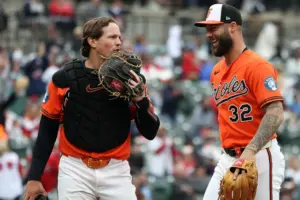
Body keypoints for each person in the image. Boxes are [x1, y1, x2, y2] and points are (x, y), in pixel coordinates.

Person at [24, 17, 160, 200]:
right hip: (75, 169)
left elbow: (150, 132)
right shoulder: (65, 79)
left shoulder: (131, 79)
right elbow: (47, 130)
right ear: (92, 41)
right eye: (112, 37)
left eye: (119, 37)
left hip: (116, 169)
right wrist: (34, 177)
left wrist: (141, 101)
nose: (118, 42)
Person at [194, 3, 285, 200]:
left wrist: (250, 152)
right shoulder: (216, 72)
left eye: (213, 28)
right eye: (207, 29)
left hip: (260, 156)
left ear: (232, 27)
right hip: (228, 157)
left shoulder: (257, 65)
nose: (208, 34)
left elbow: (276, 111)